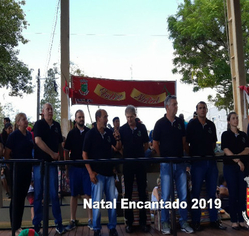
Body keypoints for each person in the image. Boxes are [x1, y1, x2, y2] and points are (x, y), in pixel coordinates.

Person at [153, 95, 194, 234]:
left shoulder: (180, 123)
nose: (176, 106)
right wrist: (163, 158)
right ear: (167, 107)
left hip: (180, 163)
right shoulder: (159, 123)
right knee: (166, 195)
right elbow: (155, 144)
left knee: (182, 195)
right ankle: (165, 222)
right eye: (174, 104)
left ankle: (183, 222)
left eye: (177, 104)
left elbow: (184, 142)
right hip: (166, 164)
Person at [186, 101, 226, 231]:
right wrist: (193, 156)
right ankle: (196, 221)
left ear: (207, 110)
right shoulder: (192, 125)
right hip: (197, 163)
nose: (202, 110)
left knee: (212, 193)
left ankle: (214, 220)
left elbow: (214, 144)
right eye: (200, 108)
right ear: (196, 110)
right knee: (196, 192)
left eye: (204, 108)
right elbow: (186, 143)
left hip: (211, 162)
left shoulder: (211, 125)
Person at [83, 109, 121, 236]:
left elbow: (117, 148)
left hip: (109, 174)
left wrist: (118, 139)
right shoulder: (90, 134)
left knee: (112, 202)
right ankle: (97, 229)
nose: (107, 119)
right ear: (98, 118)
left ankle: (112, 228)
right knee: (97, 204)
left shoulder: (109, 133)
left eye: (107, 117)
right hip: (97, 174)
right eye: (105, 117)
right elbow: (84, 154)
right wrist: (90, 172)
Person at [32, 103, 66, 235]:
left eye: (51, 109)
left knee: (54, 194)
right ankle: (37, 226)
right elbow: (37, 141)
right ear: (43, 112)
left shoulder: (56, 126)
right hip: (40, 164)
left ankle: (59, 223)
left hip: (52, 165)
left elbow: (59, 144)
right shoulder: (39, 124)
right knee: (38, 194)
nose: (50, 111)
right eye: (47, 109)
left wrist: (61, 158)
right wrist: (52, 154)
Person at [119, 105, 150, 233]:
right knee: (128, 195)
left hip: (140, 164)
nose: (129, 119)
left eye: (131, 117)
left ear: (135, 116)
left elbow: (147, 144)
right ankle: (129, 222)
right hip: (128, 165)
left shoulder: (142, 127)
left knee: (143, 193)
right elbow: (119, 146)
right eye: (127, 117)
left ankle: (143, 222)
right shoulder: (122, 129)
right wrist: (127, 155)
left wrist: (139, 155)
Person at [4, 113, 34, 235]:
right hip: (16, 171)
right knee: (15, 199)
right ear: (17, 122)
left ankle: (18, 225)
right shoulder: (13, 136)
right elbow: (7, 154)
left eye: (26, 119)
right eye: (23, 119)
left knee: (22, 199)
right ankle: (14, 226)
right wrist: (11, 166)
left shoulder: (28, 135)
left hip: (27, 170)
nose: (26, 121)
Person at [64, 110, 93, 231]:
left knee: (88, 195)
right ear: (75, 119)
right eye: (79, 117)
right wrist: (67, 167)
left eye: (83, 117)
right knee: (74, 195)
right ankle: (72, 219)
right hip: (74, 168)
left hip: (86, 168)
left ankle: (90, 219)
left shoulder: (89, 132)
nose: (81, 119)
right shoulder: (71, 134)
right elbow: (66, 151)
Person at [221, 112, 249, 230]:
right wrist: (237, 160)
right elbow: (226, 149)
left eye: (237, 118)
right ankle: (233, 220)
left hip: (242, 167)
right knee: (233, 192)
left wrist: (238, 156)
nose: (236, 120)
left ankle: (242, 219)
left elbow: (247, 149)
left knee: (242, 193)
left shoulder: (243, 135)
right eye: (233, 118)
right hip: (230, 166)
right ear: (229, 121)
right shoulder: (225, 134)